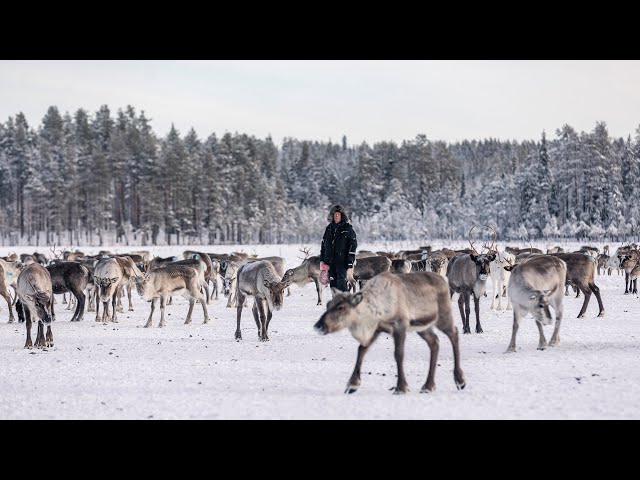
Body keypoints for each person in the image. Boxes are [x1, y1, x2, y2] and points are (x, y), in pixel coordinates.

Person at [320, 204, 357, 292]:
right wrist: (322, 260)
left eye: (339, 214)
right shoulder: (328, 229)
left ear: (342, 216)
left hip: (343, 263)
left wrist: (350, 261)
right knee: (333, 287)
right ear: (332, 216)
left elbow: (353, 244)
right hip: (330, 263)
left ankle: (346, 304)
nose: (337, 216)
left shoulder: (348, 229)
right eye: (335, 214)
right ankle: (336, 304)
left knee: (342, 286)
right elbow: (323, 245)